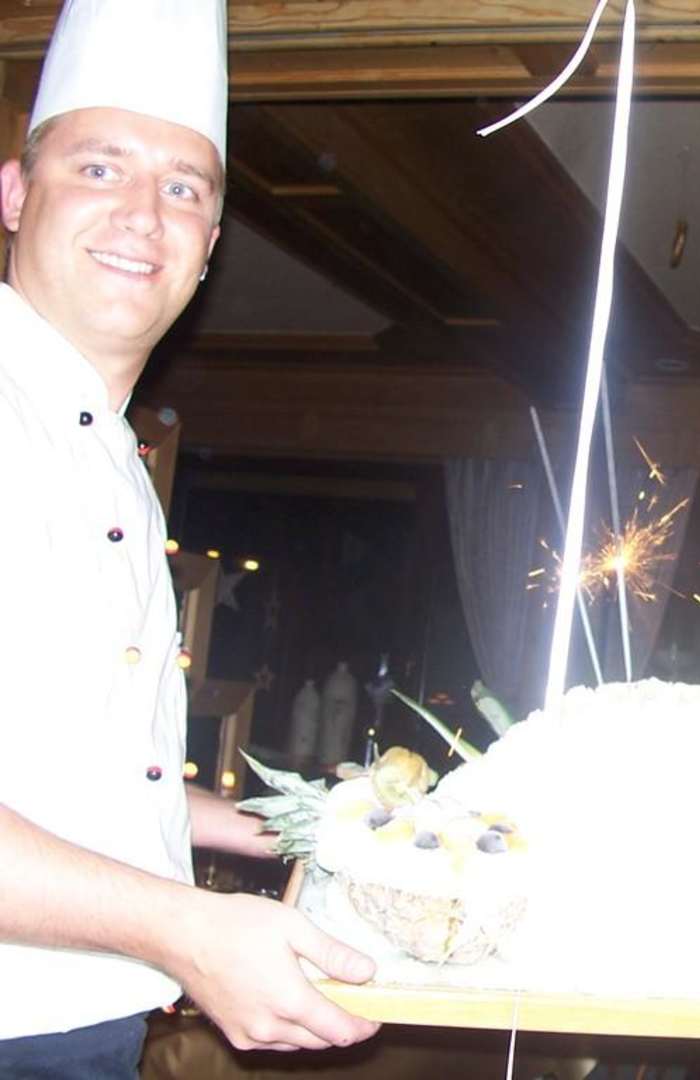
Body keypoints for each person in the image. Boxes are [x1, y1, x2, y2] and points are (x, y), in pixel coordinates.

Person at [0, 1, 380, 1074]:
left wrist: (302, 830)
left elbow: (74, 773)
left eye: (183, 190)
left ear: (208, 248)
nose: (142, 216)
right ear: (15, 193)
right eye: (100, 168)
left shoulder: (117, 456)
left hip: (80, 1023)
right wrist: (187, 929)